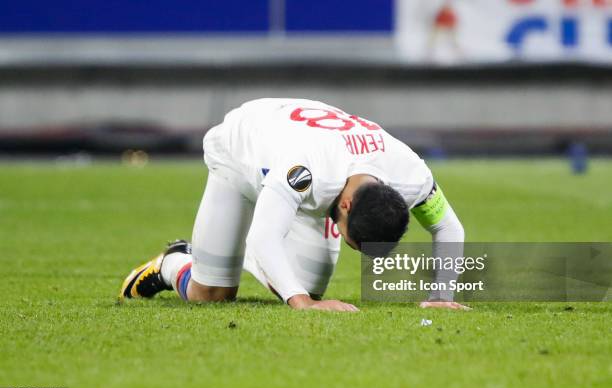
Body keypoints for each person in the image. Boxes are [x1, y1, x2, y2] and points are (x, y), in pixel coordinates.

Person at [119, 98, 467, 311]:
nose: (352, 247)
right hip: (240, 154)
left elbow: (448, 226)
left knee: (307, 285)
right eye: (353, 242)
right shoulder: (307, 170)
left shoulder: (410, 175)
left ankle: (263, 253)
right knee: (211, 294)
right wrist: (301, 304)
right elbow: (263, 239)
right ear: (345, 206)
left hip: (303, 152)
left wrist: (441, 295)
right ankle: (171, 263)